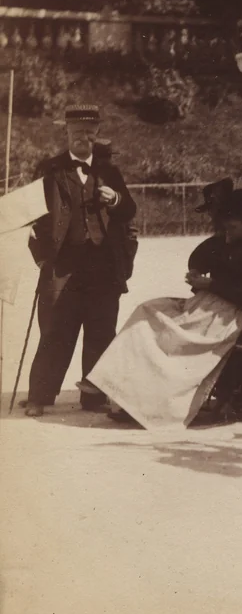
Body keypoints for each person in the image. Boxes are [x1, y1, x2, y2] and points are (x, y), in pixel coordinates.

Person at [88, 188, 242, 430]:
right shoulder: (226, 243)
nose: (227, 234)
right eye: (224, 229)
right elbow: (199, 257)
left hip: (227, 316)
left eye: (231, 228)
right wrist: (198, 274)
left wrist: (212, 284)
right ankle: (120, 389)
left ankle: (151, 406)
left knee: (165, 333)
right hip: (204, 305)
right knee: (146, 310)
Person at [24, 105, 137, 417]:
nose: (83, 138)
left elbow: (129, 211)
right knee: (55, 329)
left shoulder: (110, 171)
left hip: (103, 264)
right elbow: (31, 215)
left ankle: (95, 395)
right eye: (76, 133)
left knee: (102, 329)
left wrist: (115, 199)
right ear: (66, 134)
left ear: (98, 134)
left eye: (89, 133)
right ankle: (40, 396)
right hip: (62, 264)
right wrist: (42, 257)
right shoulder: (50, 169)